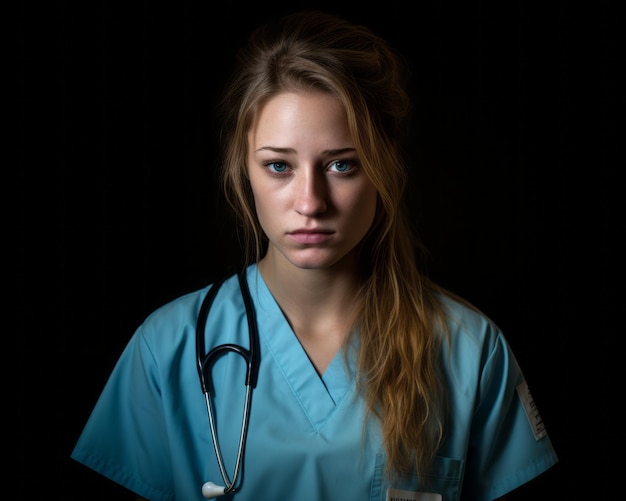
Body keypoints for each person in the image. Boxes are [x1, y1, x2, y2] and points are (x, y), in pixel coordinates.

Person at [71, 10, 559, 501]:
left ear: (385, 170)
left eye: (342, 164)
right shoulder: (166, 348)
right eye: (279, 165)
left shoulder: (468, 351)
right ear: (244, 172)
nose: (310, 202)